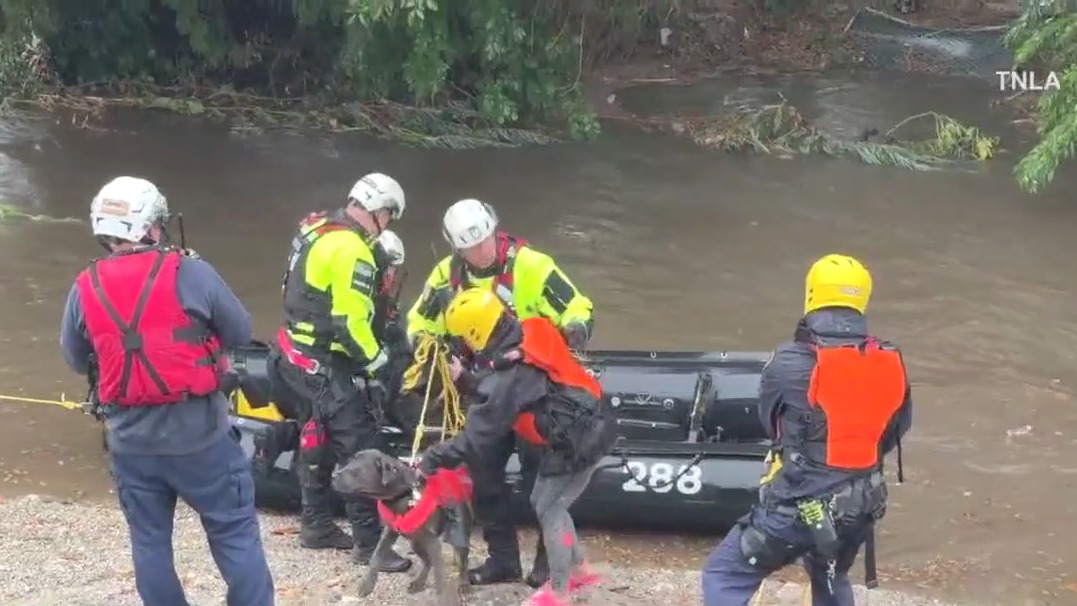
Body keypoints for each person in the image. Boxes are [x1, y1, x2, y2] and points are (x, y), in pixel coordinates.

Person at [59, 176, 275, 606]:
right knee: (233, 533)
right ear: (153, 227)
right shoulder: (192, 270)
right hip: (202, 438)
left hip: (131, 442)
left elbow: (74, 356)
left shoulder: (85, 286)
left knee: (150, 541)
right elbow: (241, 331)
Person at [700, 254, 913, 606]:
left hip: (795, 509)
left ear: (812, 293)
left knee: (724, 574)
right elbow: (893, 433)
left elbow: (770, 421)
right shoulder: (892, 361)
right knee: (831, 576)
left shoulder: (789, 360)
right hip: (860, 507)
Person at [405, 197, 596, 586]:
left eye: (485, 241)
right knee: (485, 478)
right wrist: (431, 348)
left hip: (530, 390)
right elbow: (418, 323)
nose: (480, 251)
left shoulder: (532, 265)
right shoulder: (446, 277)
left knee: (541, 478)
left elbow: (578, 306)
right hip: (480, 390)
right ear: (457, 247)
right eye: (471, 247)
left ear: (494, 230)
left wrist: (571, 330)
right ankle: (502, 560)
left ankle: (547, 565)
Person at [417, 288, 616, 606]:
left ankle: (561, 590)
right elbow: (511, 381)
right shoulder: (532, 330)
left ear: (474, 333)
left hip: (579, 438)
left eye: (464, 338)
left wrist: (430, 459)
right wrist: (471, 379)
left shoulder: (505, 379)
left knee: (549, 507)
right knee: (545, 499)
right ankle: (578, 566)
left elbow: (474, 439)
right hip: (593, 417)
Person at [268, 173, 411, 572]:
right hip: (320, 362)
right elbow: (350, 325)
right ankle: (369, 546)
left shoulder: (317, 228)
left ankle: (315, 526)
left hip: (291, 355)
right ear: (381, 211)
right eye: (390, 217)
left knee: (315, 434)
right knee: (361, 445)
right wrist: (379, 365)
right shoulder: (355, 252)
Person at [252, 229, 409, 481]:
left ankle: (281, 437)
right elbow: (353, 343)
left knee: (324, 422)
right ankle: (284, 448)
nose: (392, 276)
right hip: (321, 375)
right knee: (347, 434)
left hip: (301, 367)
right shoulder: (357, 298)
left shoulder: (361, 297)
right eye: (389, 268)